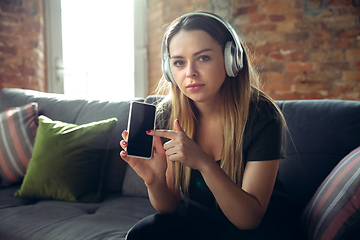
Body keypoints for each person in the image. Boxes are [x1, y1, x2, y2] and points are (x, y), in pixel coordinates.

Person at [120, 11, 294, 240]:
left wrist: (203, 162)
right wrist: (154, 180)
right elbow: (168, 207)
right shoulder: (168, 114)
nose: (190, 72)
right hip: (198, 219)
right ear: (169, 70)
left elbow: (249, 220)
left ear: (231, 60)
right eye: (179, 62)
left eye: (203, 58)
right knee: (142, 234)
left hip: (254, 224)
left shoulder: (263, 116)